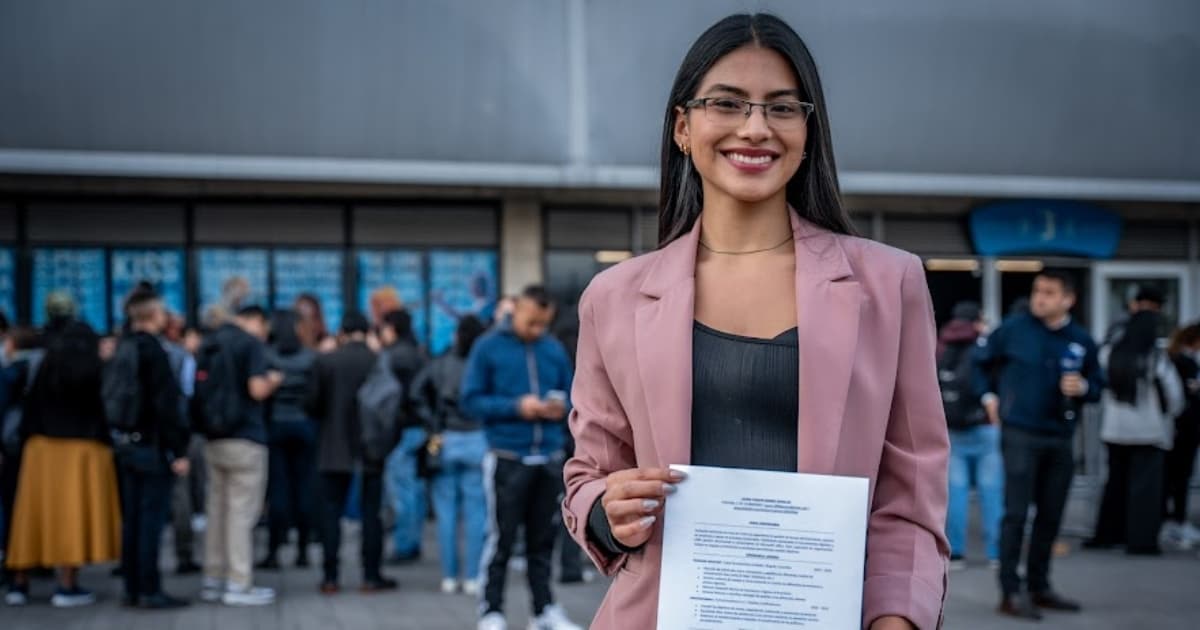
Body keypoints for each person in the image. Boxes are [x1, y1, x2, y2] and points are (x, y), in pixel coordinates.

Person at [560, 14, 948, 630]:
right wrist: (606, 510)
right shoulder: (615, 296)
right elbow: (589, 476)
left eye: (782, 108)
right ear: (684, 127)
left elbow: (912, 492)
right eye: (728, 104)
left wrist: (897, 617)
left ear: (807, 129)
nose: (756, 128)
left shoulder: (888, 283)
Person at [975, 270, 1103, 619]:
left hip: (1061, 436)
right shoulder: (1014, 329)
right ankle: (1010, 591)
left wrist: (1085, 389)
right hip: (1020, 432)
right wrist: (988, 397)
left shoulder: (1081, 339)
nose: (1039, 298)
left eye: (1049, 292)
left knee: (1050, 516)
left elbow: (1097, 383)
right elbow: (979, 364)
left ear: (1068, 299)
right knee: (1016, 514)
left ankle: (1039, 586)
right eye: (1037, 290)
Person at [463, 285, 579, 630]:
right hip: (507, 456)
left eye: (543, 324)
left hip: (548, 457)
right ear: (516, 310)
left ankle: (543, 609)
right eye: (531, 323)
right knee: (501, 538)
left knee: (542, 541)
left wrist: (562, 407)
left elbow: (576, 397)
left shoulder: (553, 349)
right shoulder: (487, 348)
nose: (537, 331)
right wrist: (516, 407)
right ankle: (491, 610)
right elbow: (470, 400)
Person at [5, 321, 121, 607]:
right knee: (71, 519)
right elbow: (105, 410)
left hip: (39, 450)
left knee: (30, 517)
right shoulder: (92, 369)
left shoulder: (45, 367)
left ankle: (18, 583)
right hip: (81, 451)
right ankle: (66, 584)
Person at [304, 311, 397, 593]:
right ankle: (370, 575)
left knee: (331, 513)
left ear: (341, 331)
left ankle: (330, 576)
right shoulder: (377, 362)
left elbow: (311, 405)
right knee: (372, 513)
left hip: (333, 449)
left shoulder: (326, 361)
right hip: (370, 450)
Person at [197, 305, 283, 606]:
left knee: (217, 511)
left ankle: (213, 578)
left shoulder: (210, 342)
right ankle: (238, 582)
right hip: (246, 437)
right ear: (255, 320)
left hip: (212, 437)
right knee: (241, 514)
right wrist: (273, 380)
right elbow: (257, 389)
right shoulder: (250, 344)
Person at [111, 291, 191, 608]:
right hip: (152, 445)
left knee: (132, 519)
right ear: (151, 315)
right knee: (150, 521)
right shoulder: (155, 351)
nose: (166, 316)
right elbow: (167, 406)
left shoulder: (124, 346)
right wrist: (178, 449)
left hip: (126, 442)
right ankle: (149, 588)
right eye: (161, 312)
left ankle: (132, 586)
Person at [1087, 310, 1183, 554]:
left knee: (1115, 485)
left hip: (1115, 430)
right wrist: (1172, 415)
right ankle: (1140, 540)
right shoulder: (1155, 357)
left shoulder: (1110, 353)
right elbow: (1173, 394)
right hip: (1148, 430)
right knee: (1145, 491)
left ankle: (1109, 534)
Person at [410, 315, 487, 595]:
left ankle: (449, 576)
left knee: (446, 512)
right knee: (476, 512)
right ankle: (473, 576)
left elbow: (416, 392)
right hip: (478, 439)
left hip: (446, 439)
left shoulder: (441, 363)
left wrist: (432, 425)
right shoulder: (482, 363)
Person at [938, 302, 1003, 571]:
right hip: (985, 427)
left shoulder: (939, 345)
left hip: (952, 429)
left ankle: (956, 554)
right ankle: (996, 552)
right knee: (992, 492)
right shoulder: (984, 345)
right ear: (977, 321)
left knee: (955, 493)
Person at [258, 309, 318, 570]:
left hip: (276, 426)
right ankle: (303, 550)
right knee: (305, 488)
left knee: (278, 490)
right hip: (304, 425)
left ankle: (273, 551)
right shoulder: (310, 358)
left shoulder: (268, 357)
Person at [379, 308, 428, 564]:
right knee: (414, 490)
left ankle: (404, 545)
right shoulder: (417, 353)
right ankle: (412, 541)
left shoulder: (393, 356)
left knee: (401, 491)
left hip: (400, 429)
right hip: (417, 427)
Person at [0, 327, 41, 599]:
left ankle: (16, 574)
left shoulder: (12, 372)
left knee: (12, 510)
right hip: (32, 448)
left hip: (11, 447)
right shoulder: (40, 368)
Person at [1164, 324, 1200, 550]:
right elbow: (1181, 394)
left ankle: (1173, 520)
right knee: (1179, 476)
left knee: (1176, 476)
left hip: (1181, 426)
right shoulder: (1182, 361)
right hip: (1183, 427)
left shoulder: (1177, 358)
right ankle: (1175, 521)